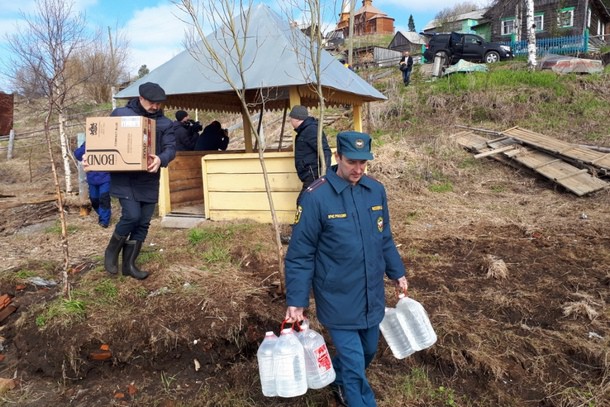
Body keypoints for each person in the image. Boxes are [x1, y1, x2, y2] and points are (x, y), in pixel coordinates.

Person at [284, 131, 409, 407]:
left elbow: (384, 236)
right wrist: (296, 300)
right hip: (337, 297)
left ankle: (338, 378)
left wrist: (397, 272)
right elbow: (300, 254)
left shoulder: (375, 190)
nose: (358, 169)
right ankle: (358, 399)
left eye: (364, 163)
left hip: (370, 293)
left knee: (367, 351)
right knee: (354, 363)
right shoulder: (315, 197)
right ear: (337, 156)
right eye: (352, 161)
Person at [101, 82, 176, 280]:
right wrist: (87, 154)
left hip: (149, 178)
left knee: (143, 222)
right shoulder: (121, 114)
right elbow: (102, 137)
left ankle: (129, 265)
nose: (156, 107)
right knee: (132, 216)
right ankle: (110, 252)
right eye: (152, 103)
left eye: (159, 104)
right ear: (140, 98)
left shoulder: (165, 124)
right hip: (124, 178)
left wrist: (161, 159)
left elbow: (170, 148)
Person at [288, 105, 331, 201]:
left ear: (297, 119)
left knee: (303, 201)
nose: (290, 120)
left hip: (314, 175)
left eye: (291, 118)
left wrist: (324, 174)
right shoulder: (304, 131)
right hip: (310, 175)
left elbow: (325, 151)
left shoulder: (310, 130)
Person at [74, 142, 111, 228]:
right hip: (92, 178)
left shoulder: (108, 141)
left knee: (104, 199)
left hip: (105, 177)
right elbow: (77, 154)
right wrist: (88, 145)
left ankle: (104, 221)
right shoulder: (89, 142)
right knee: (94, 200)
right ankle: (102, 214)